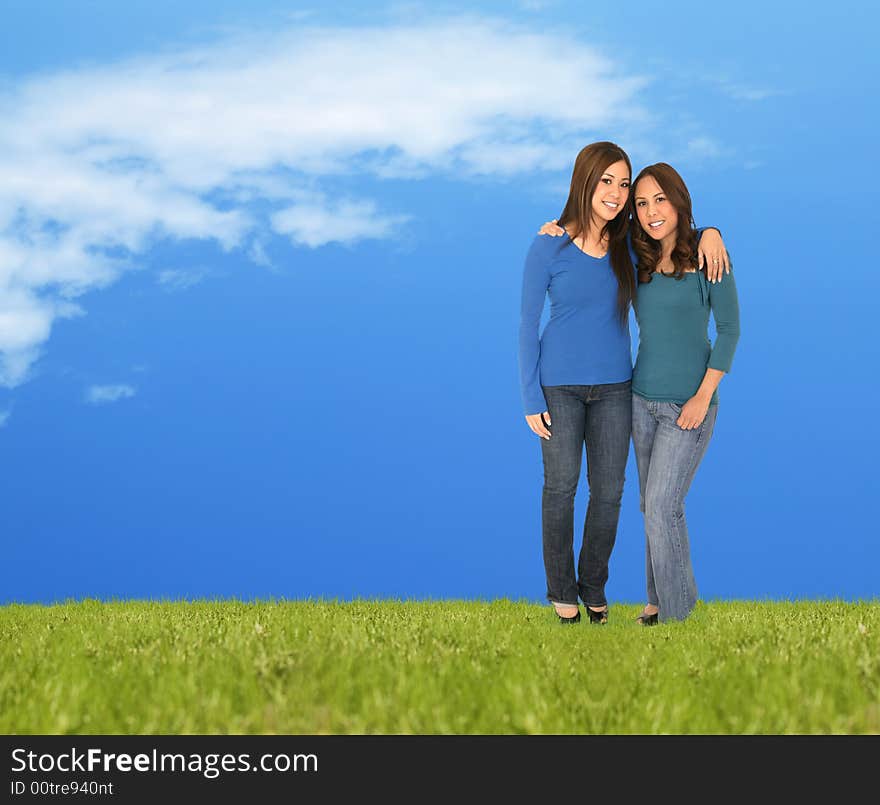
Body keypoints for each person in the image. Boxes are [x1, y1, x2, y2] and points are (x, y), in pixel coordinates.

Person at [519, 142, 729, 625]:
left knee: (609, 492)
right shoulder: (547, 245)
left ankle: (593, 586)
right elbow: (527, 326)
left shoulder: (627, 246)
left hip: (617, 387)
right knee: (560, 487)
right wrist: (530, 396)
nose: (616, 193)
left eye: (623, 183)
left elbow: (670, 226)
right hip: (558, 388)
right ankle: (561, 591)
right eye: (606, 181)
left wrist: (712, 232)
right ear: (584, 183)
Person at [627, 163, 739, 624]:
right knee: (649, 505)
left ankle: (677, 617)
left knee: (663, 504)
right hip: (640, 399)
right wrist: (556, 229)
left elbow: (730, 331)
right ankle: (658, 601)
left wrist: (702, 395)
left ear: (678, 201)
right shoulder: (636, 259)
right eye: (641, 203)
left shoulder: (709, 259)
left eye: (659, 199)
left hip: (688, 407)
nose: (651, 211)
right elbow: (591, 237)